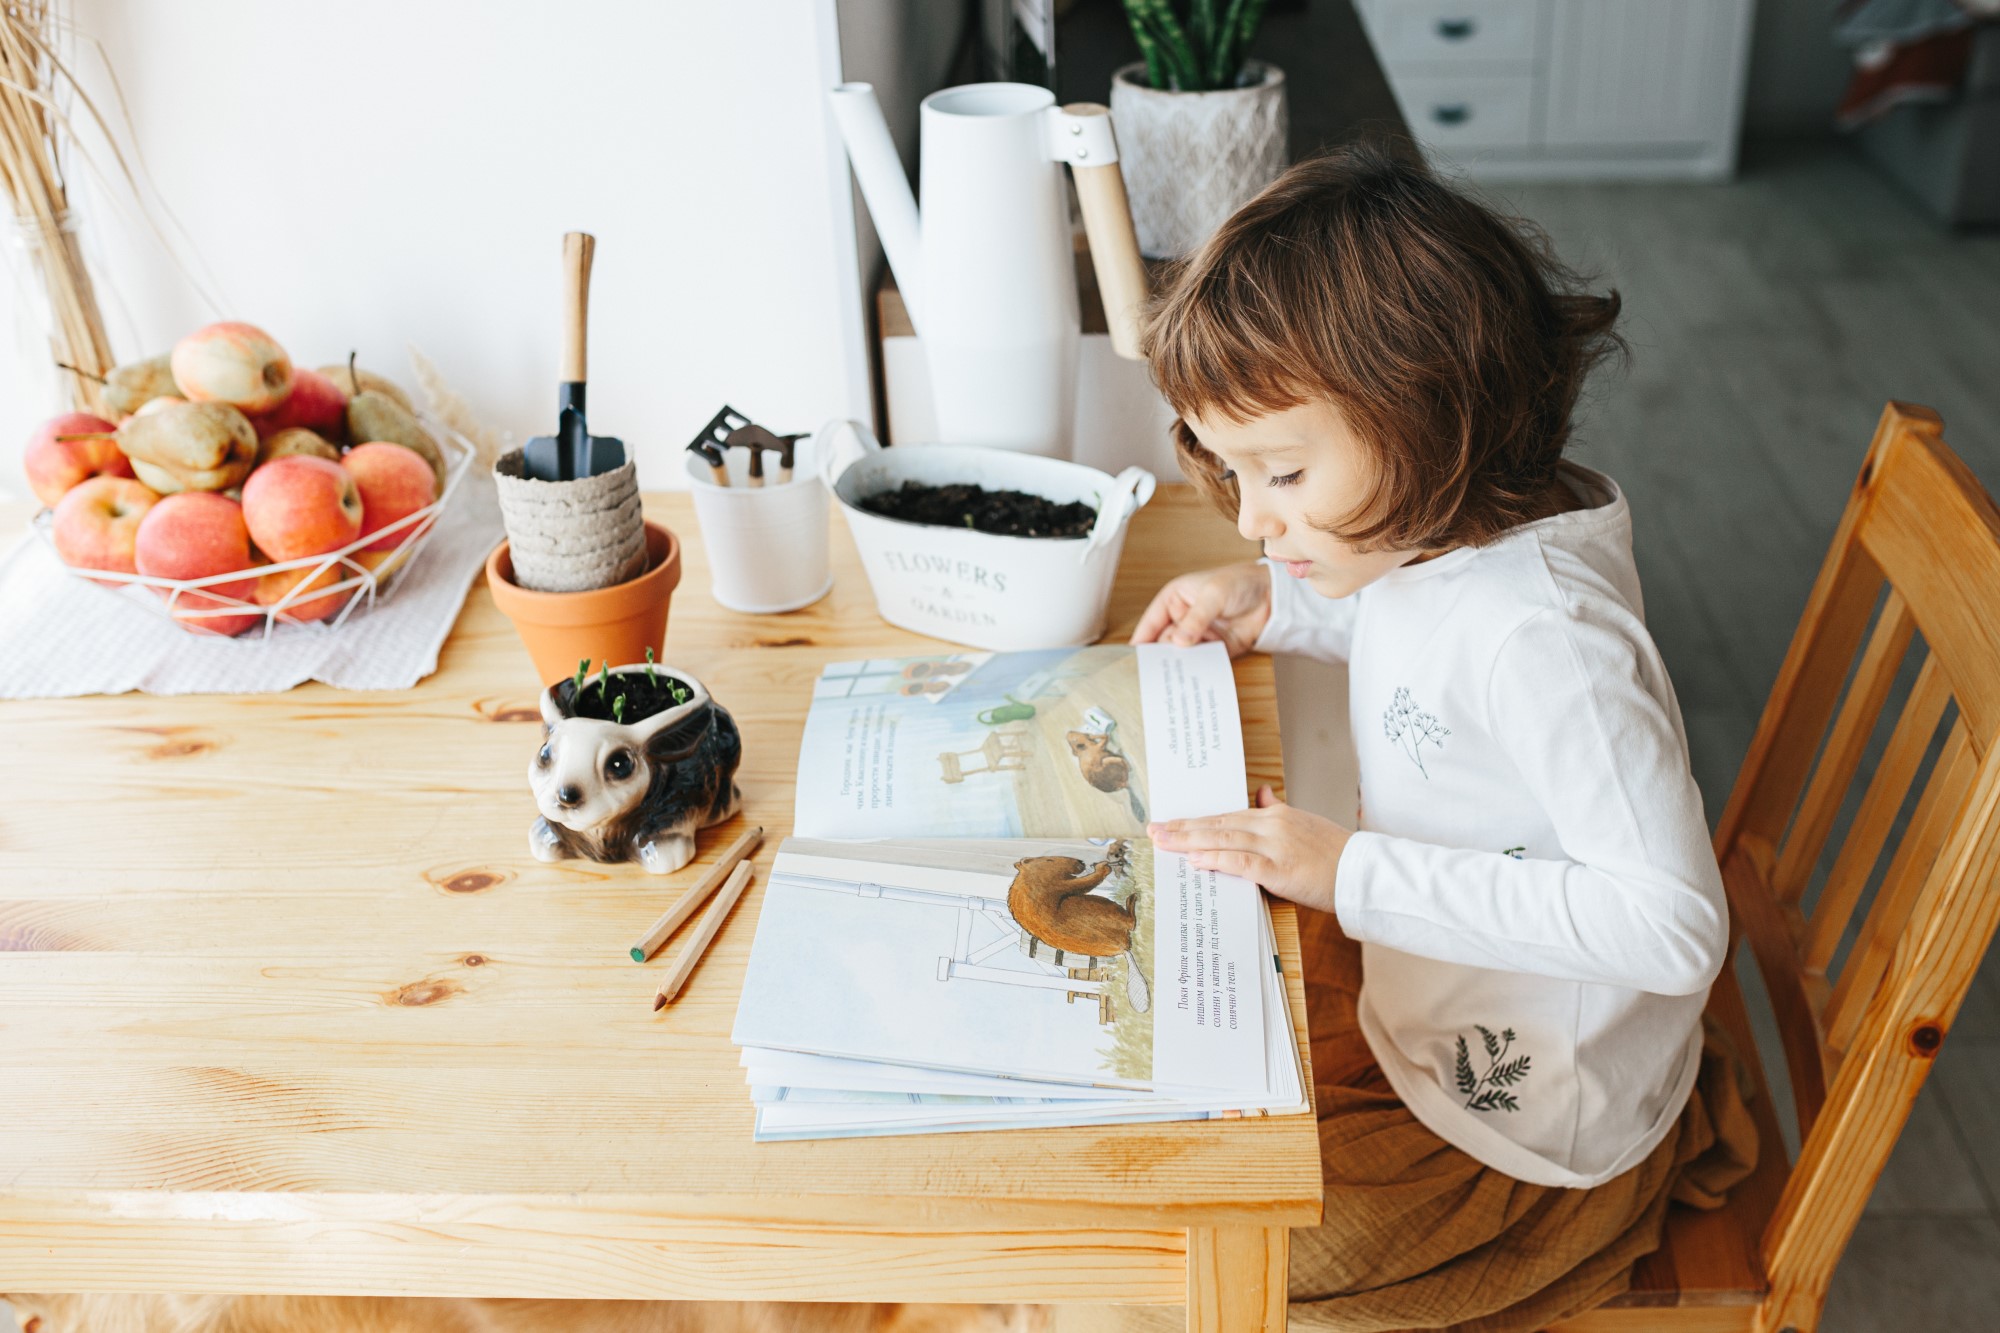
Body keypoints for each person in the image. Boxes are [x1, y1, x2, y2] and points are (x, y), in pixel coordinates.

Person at [1118, 142, 1759, 1333]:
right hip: (1427, 1003)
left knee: (1200, 1248)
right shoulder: (1444, 534)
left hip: (1525, 1134)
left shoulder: (1551, 642)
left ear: (1423, 413)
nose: (1255, 518)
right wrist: (1278, 604)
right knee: (1176, 1104)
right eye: (1235, 474)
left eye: (1283, 473)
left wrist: (1346, 872)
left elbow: (1672, 928)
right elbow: (1429, 652)